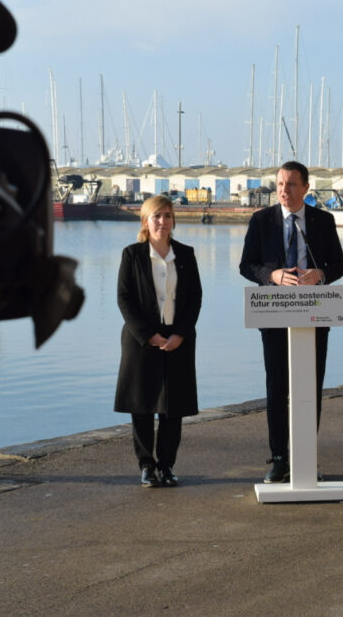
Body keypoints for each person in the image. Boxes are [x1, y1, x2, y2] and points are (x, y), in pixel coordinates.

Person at [239, 160, 343, 483]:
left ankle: (305, 455)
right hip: (274, 313)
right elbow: (246, 266)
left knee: (309, 389)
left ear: (306, 188)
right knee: (277, 388)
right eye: (280, 184)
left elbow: (339, 264)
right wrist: (271, 274)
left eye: (291, 184)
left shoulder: (323, 221)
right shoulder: (261, 221)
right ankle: (278, 457)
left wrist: (321, 273)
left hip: (314, 313)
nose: (284, 190)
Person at [115, 195, 202, 487]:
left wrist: (181, 334)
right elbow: (124, 299)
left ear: (173, 219)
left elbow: (194, 299)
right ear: (145, 221)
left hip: (178, 338)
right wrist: (147, 335)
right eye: (156, 216)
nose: (162, 222)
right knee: (142, 405)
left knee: (172, 407)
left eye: (167, 215)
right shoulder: (132, 255)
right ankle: (146, 466)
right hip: (141, 340)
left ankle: (166, 465)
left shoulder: (186, 255)